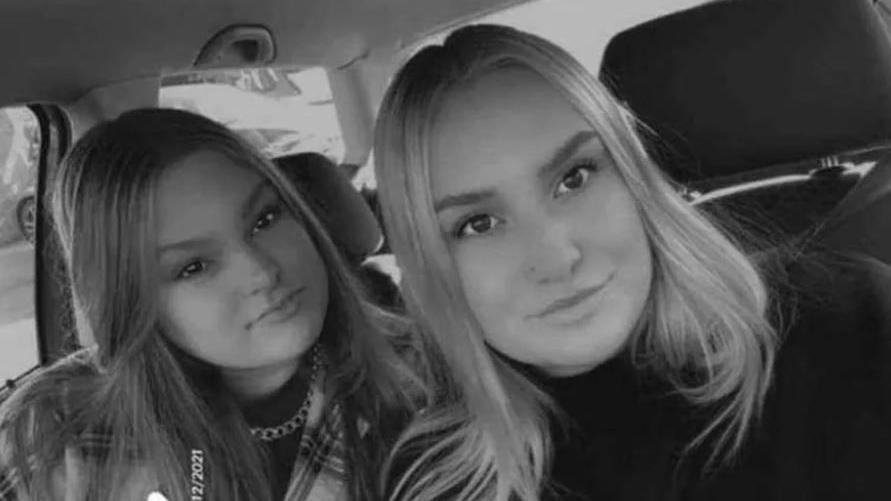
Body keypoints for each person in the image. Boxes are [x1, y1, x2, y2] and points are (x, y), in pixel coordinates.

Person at [373, 24, 891, 501]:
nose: (558, 257)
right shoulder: (438, 480)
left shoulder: (847, 325)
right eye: (477, 224)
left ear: (634, 177)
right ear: (426, 265)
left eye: (573, 178)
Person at [0, 108, 427, 501]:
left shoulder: (427, 375)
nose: (262, 272)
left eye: (264, 219)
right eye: (194, 266)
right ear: (130, 301)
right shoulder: (55, 433)